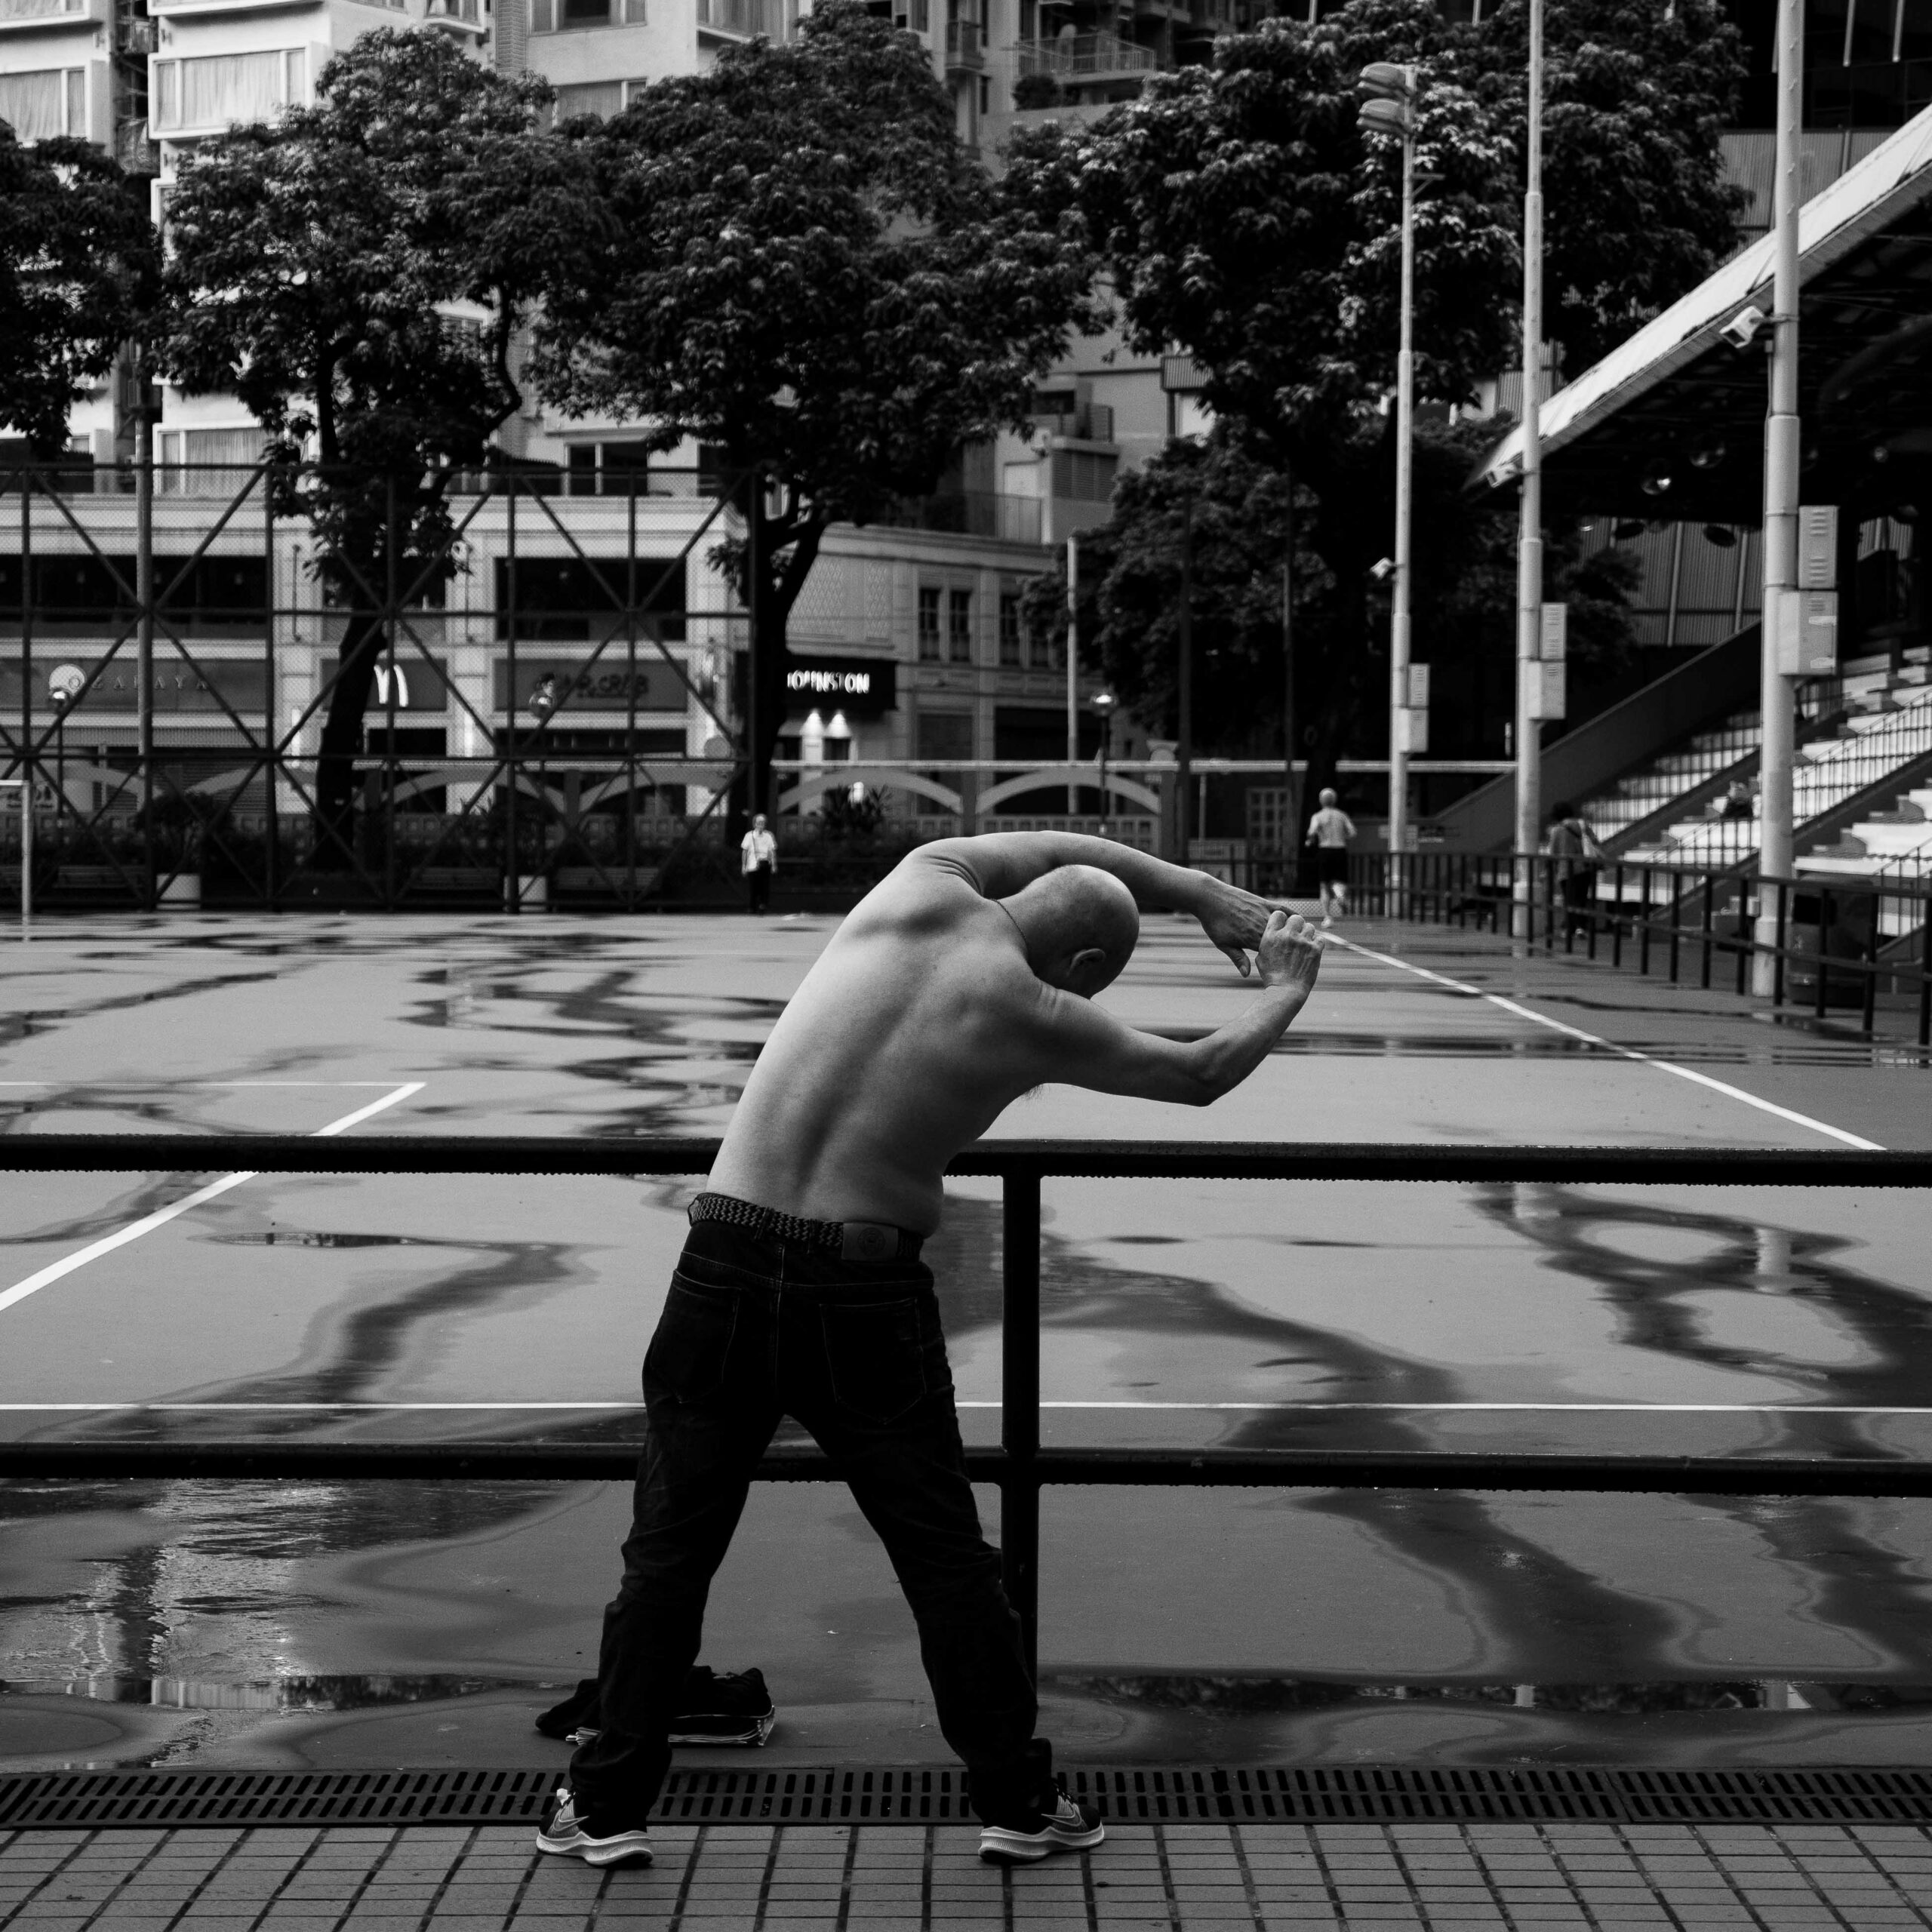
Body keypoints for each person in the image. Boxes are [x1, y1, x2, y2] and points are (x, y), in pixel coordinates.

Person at [538, 832, 1323, 1872]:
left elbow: (1062, 841)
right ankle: (1018, 1800)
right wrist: (1285, 988)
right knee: (946, 1562)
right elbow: (1201, 1074)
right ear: (1087, 969)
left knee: (669, 1555)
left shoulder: (920, 883)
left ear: (1027, 891)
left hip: (721, 1258)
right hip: (860, 1292)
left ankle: (603, 1808)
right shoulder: (1037, 1012)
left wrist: (1197, 892)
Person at [1545, 801, 1603, 940]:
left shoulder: (1556, 830)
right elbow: (1595, 842)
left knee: (1570, 899)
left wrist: (1549, 869)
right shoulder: (1582, 825)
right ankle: (1580, 927)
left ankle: (1571, 928)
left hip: (1566, 870)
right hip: (1585, 867)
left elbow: (1553, 853)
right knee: (1581, 898)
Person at [1304, 787, 1356, 928]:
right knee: (1339, 880)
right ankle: (1339, 894)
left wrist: (1310, 840)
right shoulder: (1342, 815)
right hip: (1340, 849)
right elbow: (1352, 832)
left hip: (1325, 850)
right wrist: (1341, 837)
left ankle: (1328, 917)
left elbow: (1312, 831)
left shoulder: (1318, 816)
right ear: (1335, 800)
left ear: (1321, 801)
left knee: (1324, 885)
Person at [740, 811, 777, 915]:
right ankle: (752, 907)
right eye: (759, 822)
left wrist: (774, 865)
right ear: (754, 824)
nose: (761, 824)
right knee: (753, 887)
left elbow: (772, 851)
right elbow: (745, 851)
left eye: (763, 822)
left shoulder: (769, 836)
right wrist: (744, 865)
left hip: (765, 863)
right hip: (753, 864)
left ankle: (763, 905)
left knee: (764, 886)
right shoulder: (749, 836)